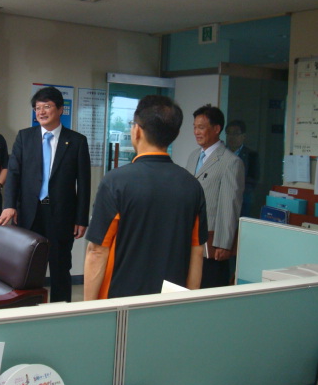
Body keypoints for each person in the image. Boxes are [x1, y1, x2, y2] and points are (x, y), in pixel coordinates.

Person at [84, 95, 207, 300]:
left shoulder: (115, 182)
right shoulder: (192, 186)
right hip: (170, 301)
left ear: (137, 131)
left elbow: (97, 251)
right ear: (175, 134)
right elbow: (197, 251)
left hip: (120, 301)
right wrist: (188, 304)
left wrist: (88, 308)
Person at [0, 86, 91, 303]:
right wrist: (9, 205)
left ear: (60, 109)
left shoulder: (76, 141)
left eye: (46, 107)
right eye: (37, 108)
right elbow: (14, 174)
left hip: (61, 215)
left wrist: (81, 218)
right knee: (27, 266)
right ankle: (28, 308)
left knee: (60, 267)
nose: (41, 112)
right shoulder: (25, 137)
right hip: (29, 213)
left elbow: (84, 183)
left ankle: (60, 310)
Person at [186, 104, 244, 288]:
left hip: (212, 243)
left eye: (201, 127)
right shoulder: (193, 156)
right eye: (195, 127)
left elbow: (229, 205)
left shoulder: (230, 162)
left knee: (209, 286)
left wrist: (224, 243)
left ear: (216, 129)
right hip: (190, 237)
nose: (196, 132)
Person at [225, 120, 258, 217]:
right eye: (229, 133)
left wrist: (236, 190)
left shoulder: (251, 155)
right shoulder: (221, 153)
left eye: (235, 133)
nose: (231, 137)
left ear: (243, 136)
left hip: (243, 197)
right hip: (223, 197)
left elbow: (253, 179)